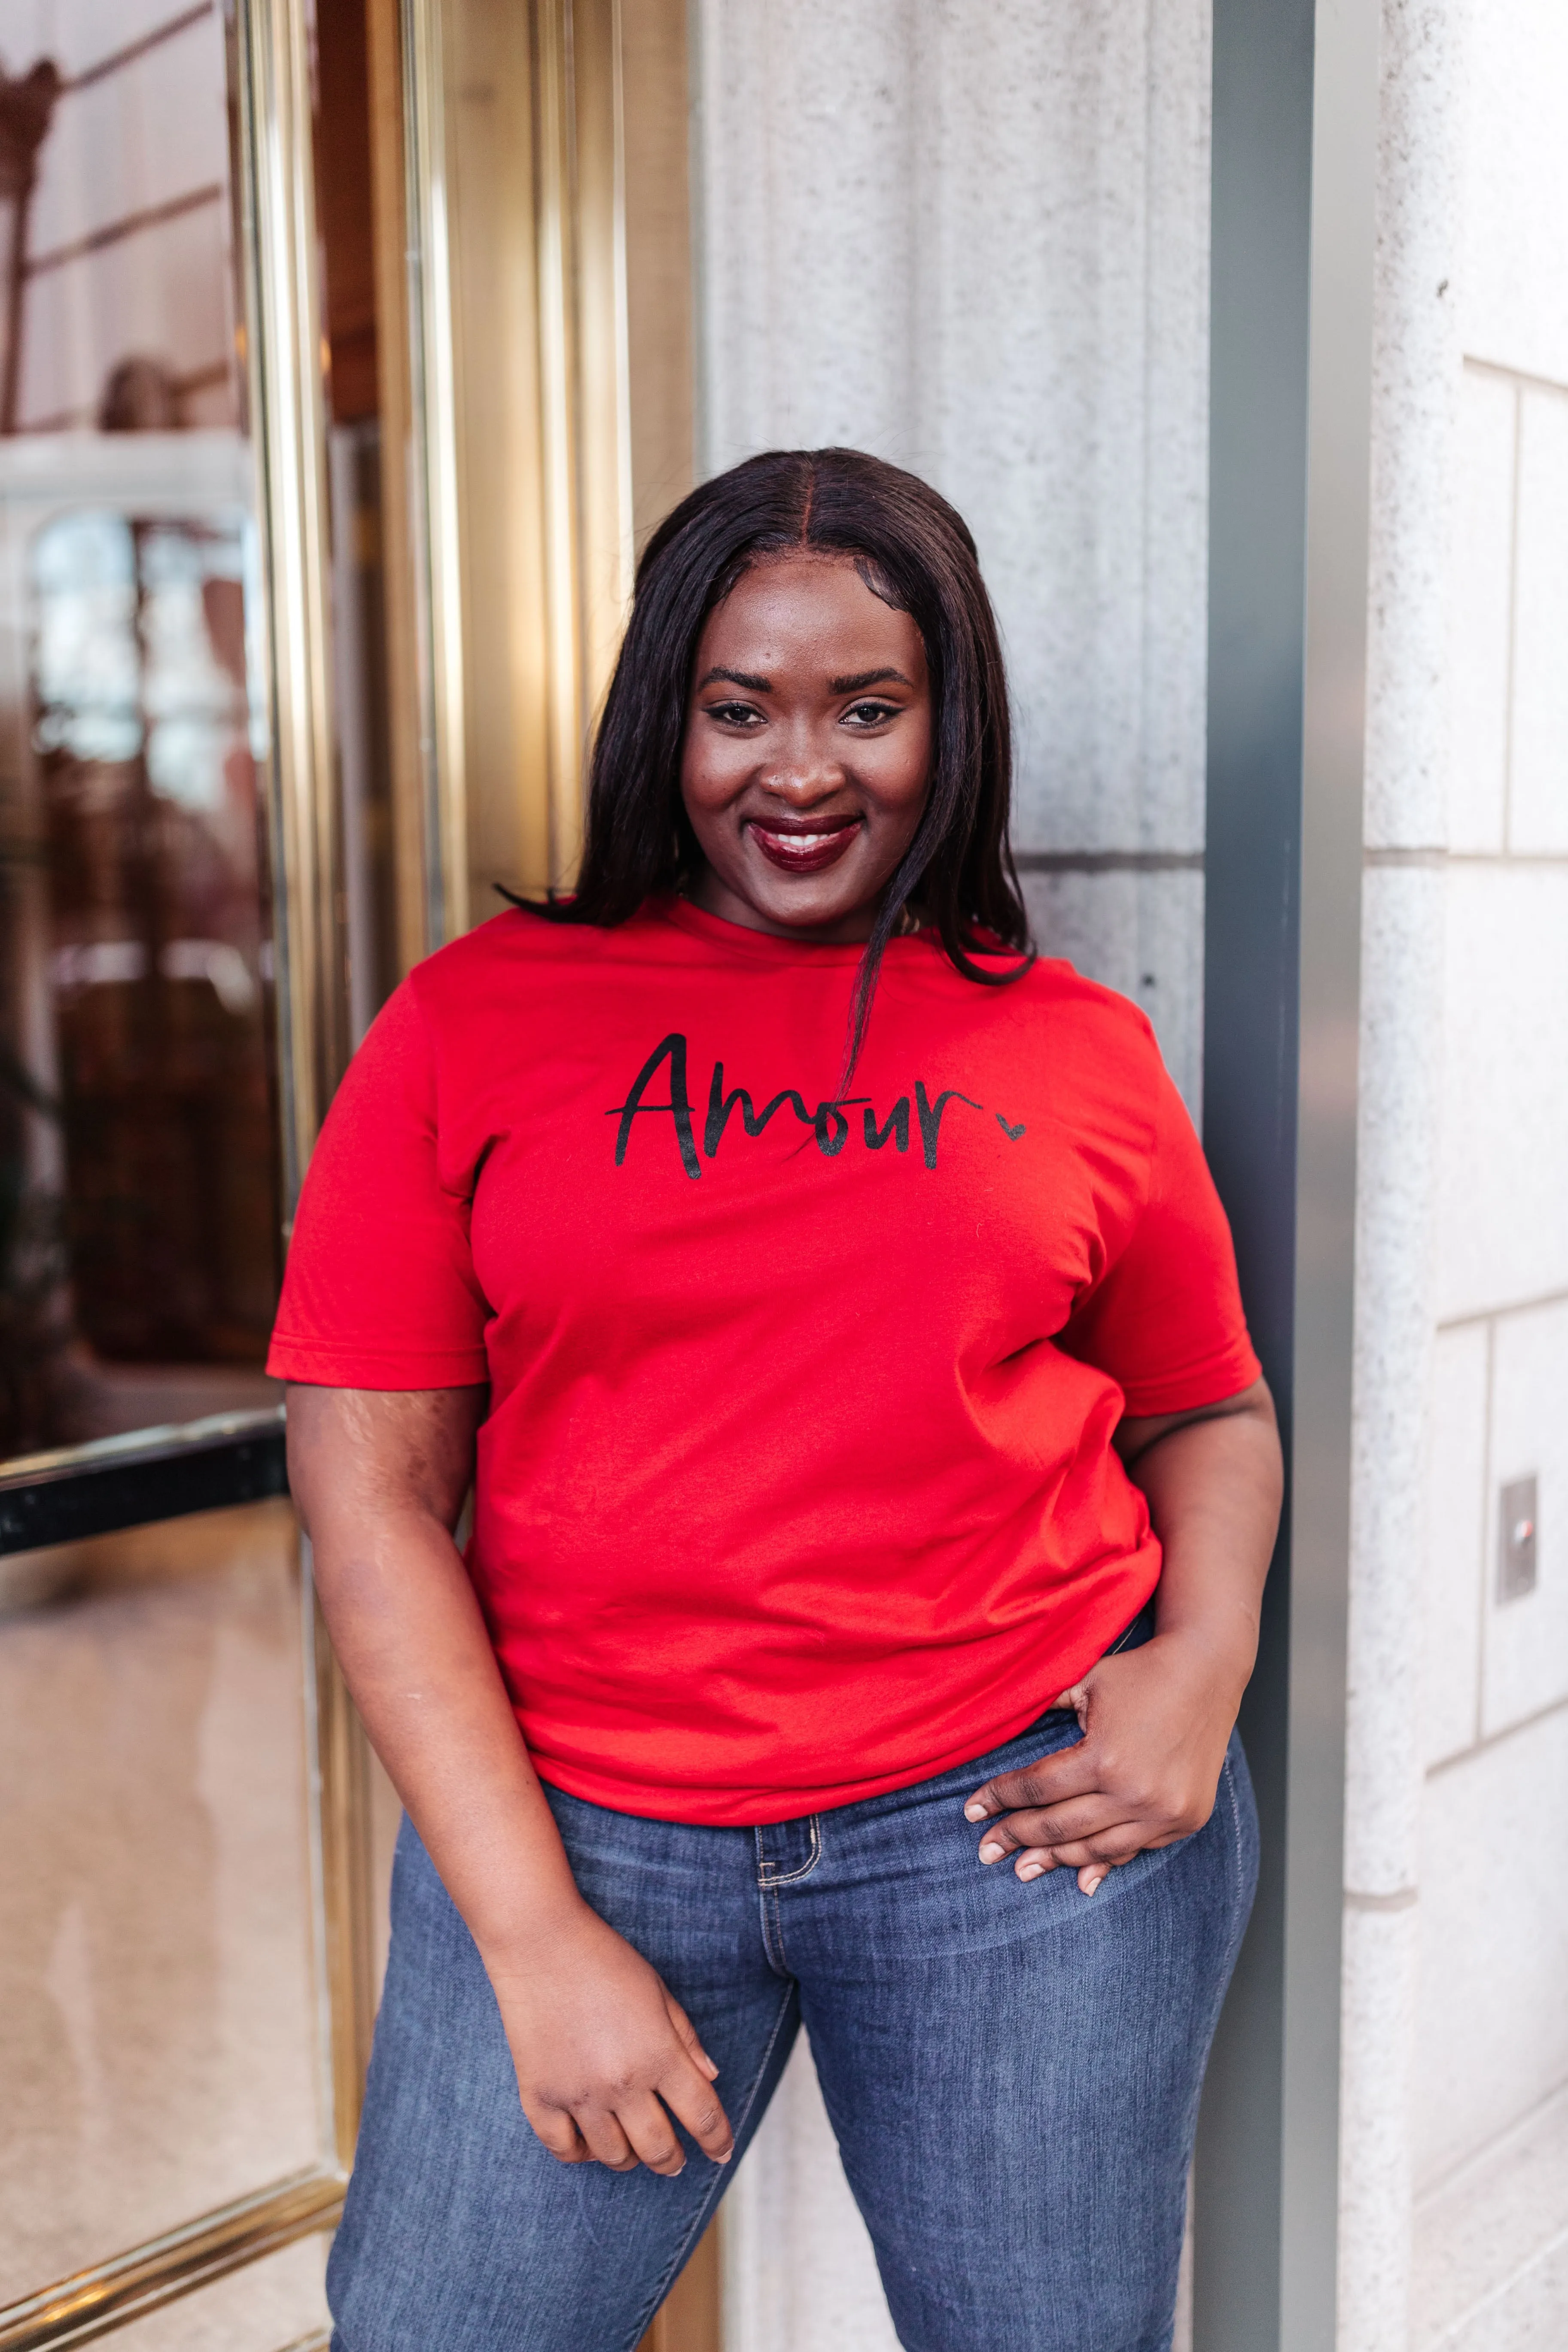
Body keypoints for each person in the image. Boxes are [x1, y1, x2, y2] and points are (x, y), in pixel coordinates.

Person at [274, 447, 1282, 2352]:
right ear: (669, 711)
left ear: (948, 720)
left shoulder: (1075, 1047)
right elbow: (373, 1505)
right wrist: (535, 1933)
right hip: (582, 1828)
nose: (799, 771)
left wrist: (1204, 1659)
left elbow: (1205, 1409)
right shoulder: (471, 1023)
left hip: (1020, 1827)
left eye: (867, 709)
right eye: (740, 708)